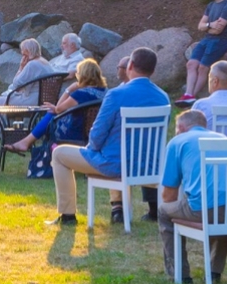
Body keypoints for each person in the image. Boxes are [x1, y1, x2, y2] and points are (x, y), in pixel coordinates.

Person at [49, 46, 171, 226]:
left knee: (59, 154)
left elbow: (97, 134)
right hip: (149, 166)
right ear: (153, 70)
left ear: (130, 66)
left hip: (116, 165)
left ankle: (67, 216)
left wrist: (93, 150)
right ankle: (117, 209)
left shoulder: (116, 94)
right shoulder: (163, 97)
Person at [157, 110, 227, 283]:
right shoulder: (222, 139)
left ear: (181, 127)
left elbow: (168, 196)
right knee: (222, 212)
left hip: (208, 209)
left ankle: (179, 273)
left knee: (163, 212)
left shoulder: (178, 142)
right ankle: (214, 271)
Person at [5, 58, 108, 153]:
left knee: (51, 114)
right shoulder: (105, 92)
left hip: (76, 132)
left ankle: (26, 142)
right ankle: (26, 142)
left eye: (78, 73)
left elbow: (59, 109)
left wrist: (69, 89)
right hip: (96, 130)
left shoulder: (80, 94)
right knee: (52, 112)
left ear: (83, 75)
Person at [183, 0, 227, 100]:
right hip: (207, 39)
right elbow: (200, 26)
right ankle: (187, 94)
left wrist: (207, 27)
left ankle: (191, 97)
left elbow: (218, 31)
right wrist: (210, 25)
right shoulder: (210, 5)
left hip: (220, 41)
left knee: (203, 67)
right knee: (191, 64)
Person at [190, 61, 227, 130]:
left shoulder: (201, 105)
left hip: (211, 141)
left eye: (209, 77)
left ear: (215, 81)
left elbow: (190, 133)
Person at [0, 40, 56, 108]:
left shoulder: (32, 64)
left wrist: (21, 67)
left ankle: (0, 119)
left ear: (28, 51)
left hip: (34, 100)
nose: (22, 55)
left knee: (0, 100)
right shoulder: (45, 62)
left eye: (23, 54)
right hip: (45, 98)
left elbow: (16, 84)